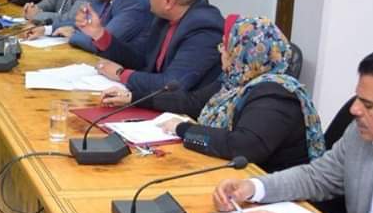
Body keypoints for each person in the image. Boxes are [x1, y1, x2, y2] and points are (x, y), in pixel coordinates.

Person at [212, 44, 373, 213]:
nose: (354, 110)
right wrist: (253, 187)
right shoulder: (361, 135)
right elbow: (317, 177)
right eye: (357, 98)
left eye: (369, 105)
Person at [139, 16, 325, 172]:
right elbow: (193, 102)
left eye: (225, 46)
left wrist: (184, 130)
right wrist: (136, 98)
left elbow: (242, 146)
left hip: (272, 190)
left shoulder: (275, 95)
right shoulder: (235, 82)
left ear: (242, 52)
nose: (221, 52)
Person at [81, 0, 223, 99]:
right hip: (154, 100)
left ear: (168, 1)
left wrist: (121, 74)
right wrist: (100, 35)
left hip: (182, 109)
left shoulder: (204, 28)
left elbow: (172, 84)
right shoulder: (163, 18)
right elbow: (139, 58)